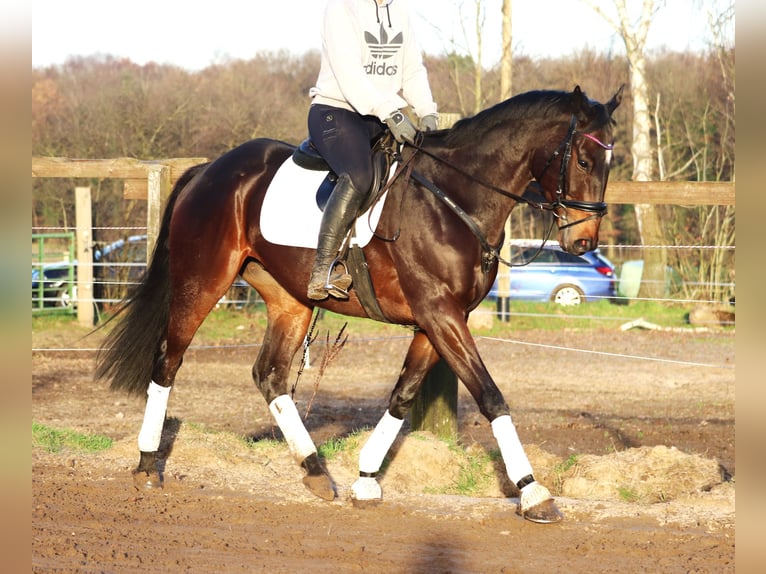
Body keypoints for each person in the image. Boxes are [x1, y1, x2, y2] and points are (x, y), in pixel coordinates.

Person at [306, 0, 439, 301]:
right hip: (337, 110)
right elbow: (349, 75)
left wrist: (427, 110)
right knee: (359, 177)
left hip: (382, 115)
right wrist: (391, 113)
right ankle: (322, 268)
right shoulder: (341, 9)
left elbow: (412, 70)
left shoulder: (400, 11)